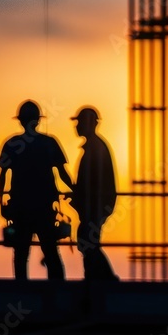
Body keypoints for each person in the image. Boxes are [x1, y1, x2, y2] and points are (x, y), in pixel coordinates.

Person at [0, 100, 72, 280]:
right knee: (50, 250)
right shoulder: (49, 143)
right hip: (45, 207)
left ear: (21, 121)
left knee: (21, 252)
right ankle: (58, 289)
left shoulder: (12, 144)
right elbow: (62, 173)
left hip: (20, 207)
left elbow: (2, 176)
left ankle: (23, 290)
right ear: (37, 121)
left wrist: (1, 201)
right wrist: (76, 189)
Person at [69, 106, 119, 281]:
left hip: (95, 205)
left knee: (88, 243)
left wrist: (83, 199)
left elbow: (93, 182)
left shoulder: (95, 148)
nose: (77, 126)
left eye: (80, 123)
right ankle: (99, 278)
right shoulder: (95, 147)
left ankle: (102, 279)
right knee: (88, 243)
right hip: (95, 204)